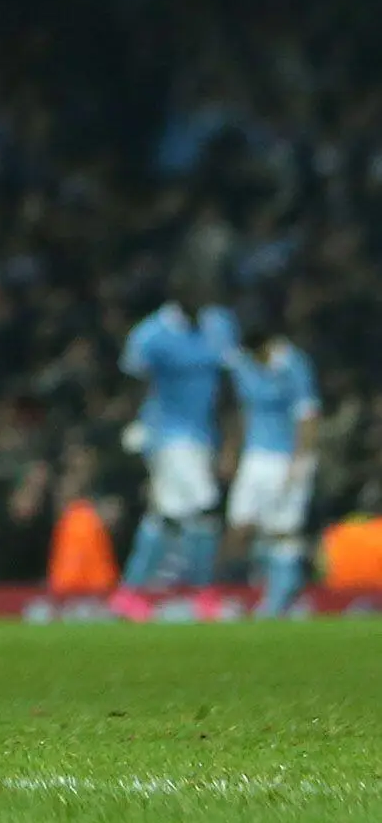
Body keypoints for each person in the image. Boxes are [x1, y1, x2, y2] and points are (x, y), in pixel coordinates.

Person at [116, 258, 237, 594]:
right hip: (168, 434)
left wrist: (230, 442)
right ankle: (204, 594)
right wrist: (139, 428)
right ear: (179, 296)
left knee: (166, 519)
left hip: (204, 436)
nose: (204, 300)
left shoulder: (221, 326)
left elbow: (228, 388)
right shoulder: (151, 335)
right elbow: (133, 384)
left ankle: (130, 593)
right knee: (204, 509)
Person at [222, 310, 319, 617]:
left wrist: (300, 461)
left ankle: (281, 599)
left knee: (283, 529)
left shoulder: (293, 364)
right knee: (241, 524)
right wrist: (231, 451)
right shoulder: (242, 364)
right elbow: (242, 410)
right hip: (255, 455)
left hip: (286, 455)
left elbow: (307, 415)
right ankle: (254, 590)